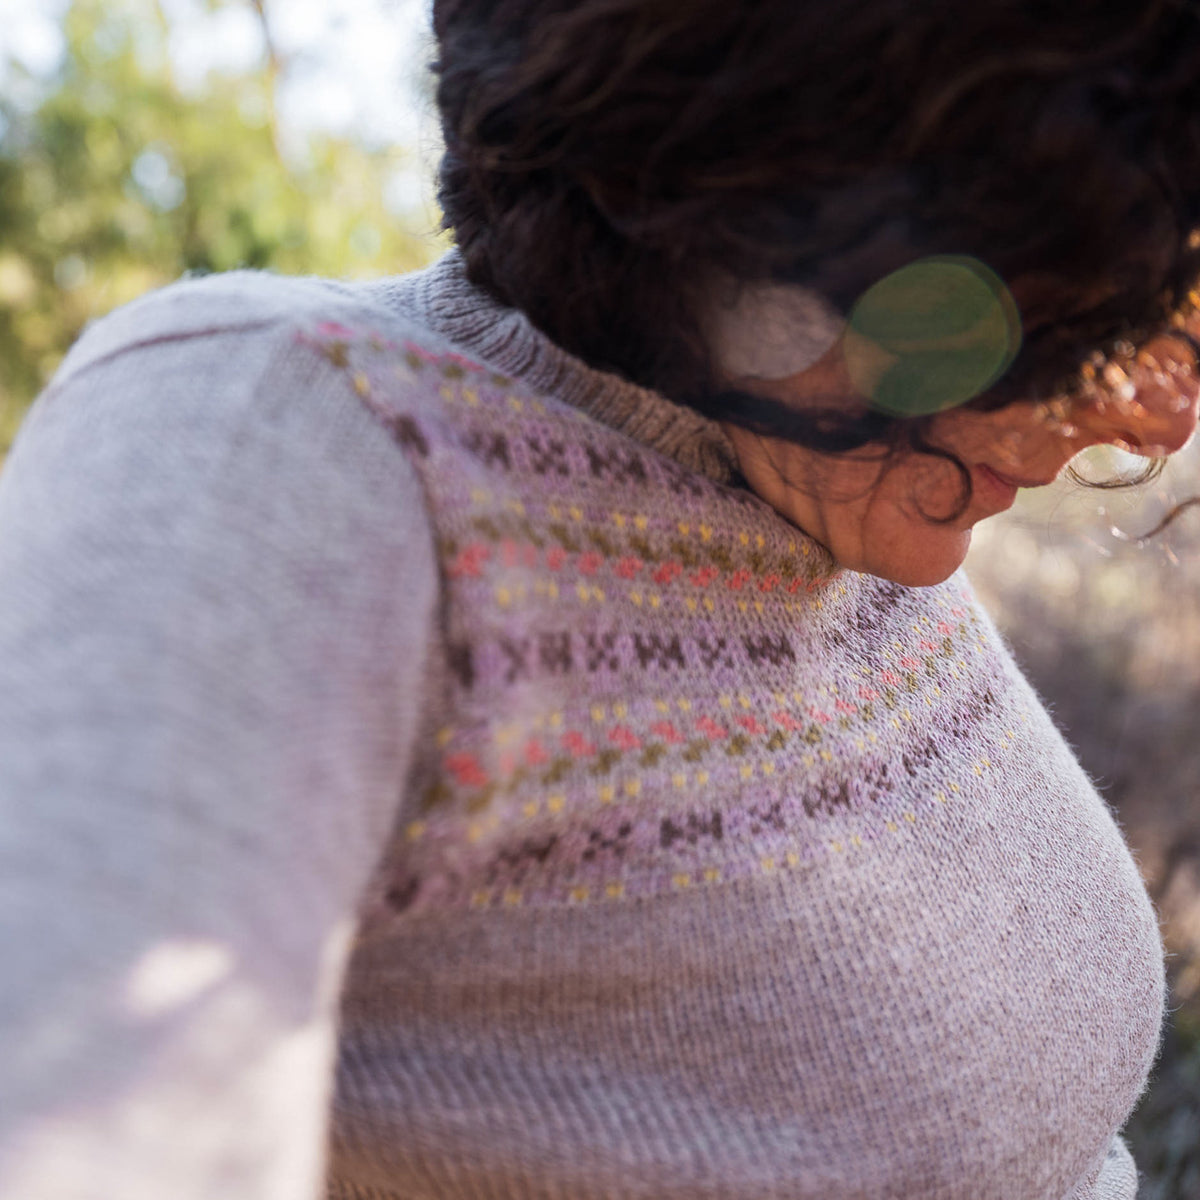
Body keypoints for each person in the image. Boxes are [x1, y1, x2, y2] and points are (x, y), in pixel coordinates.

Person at [2, 1, 1199, 1197]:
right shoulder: (279, 437)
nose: (1153, 410)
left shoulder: (829, 490)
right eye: (1082, 312)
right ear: (780, 201)